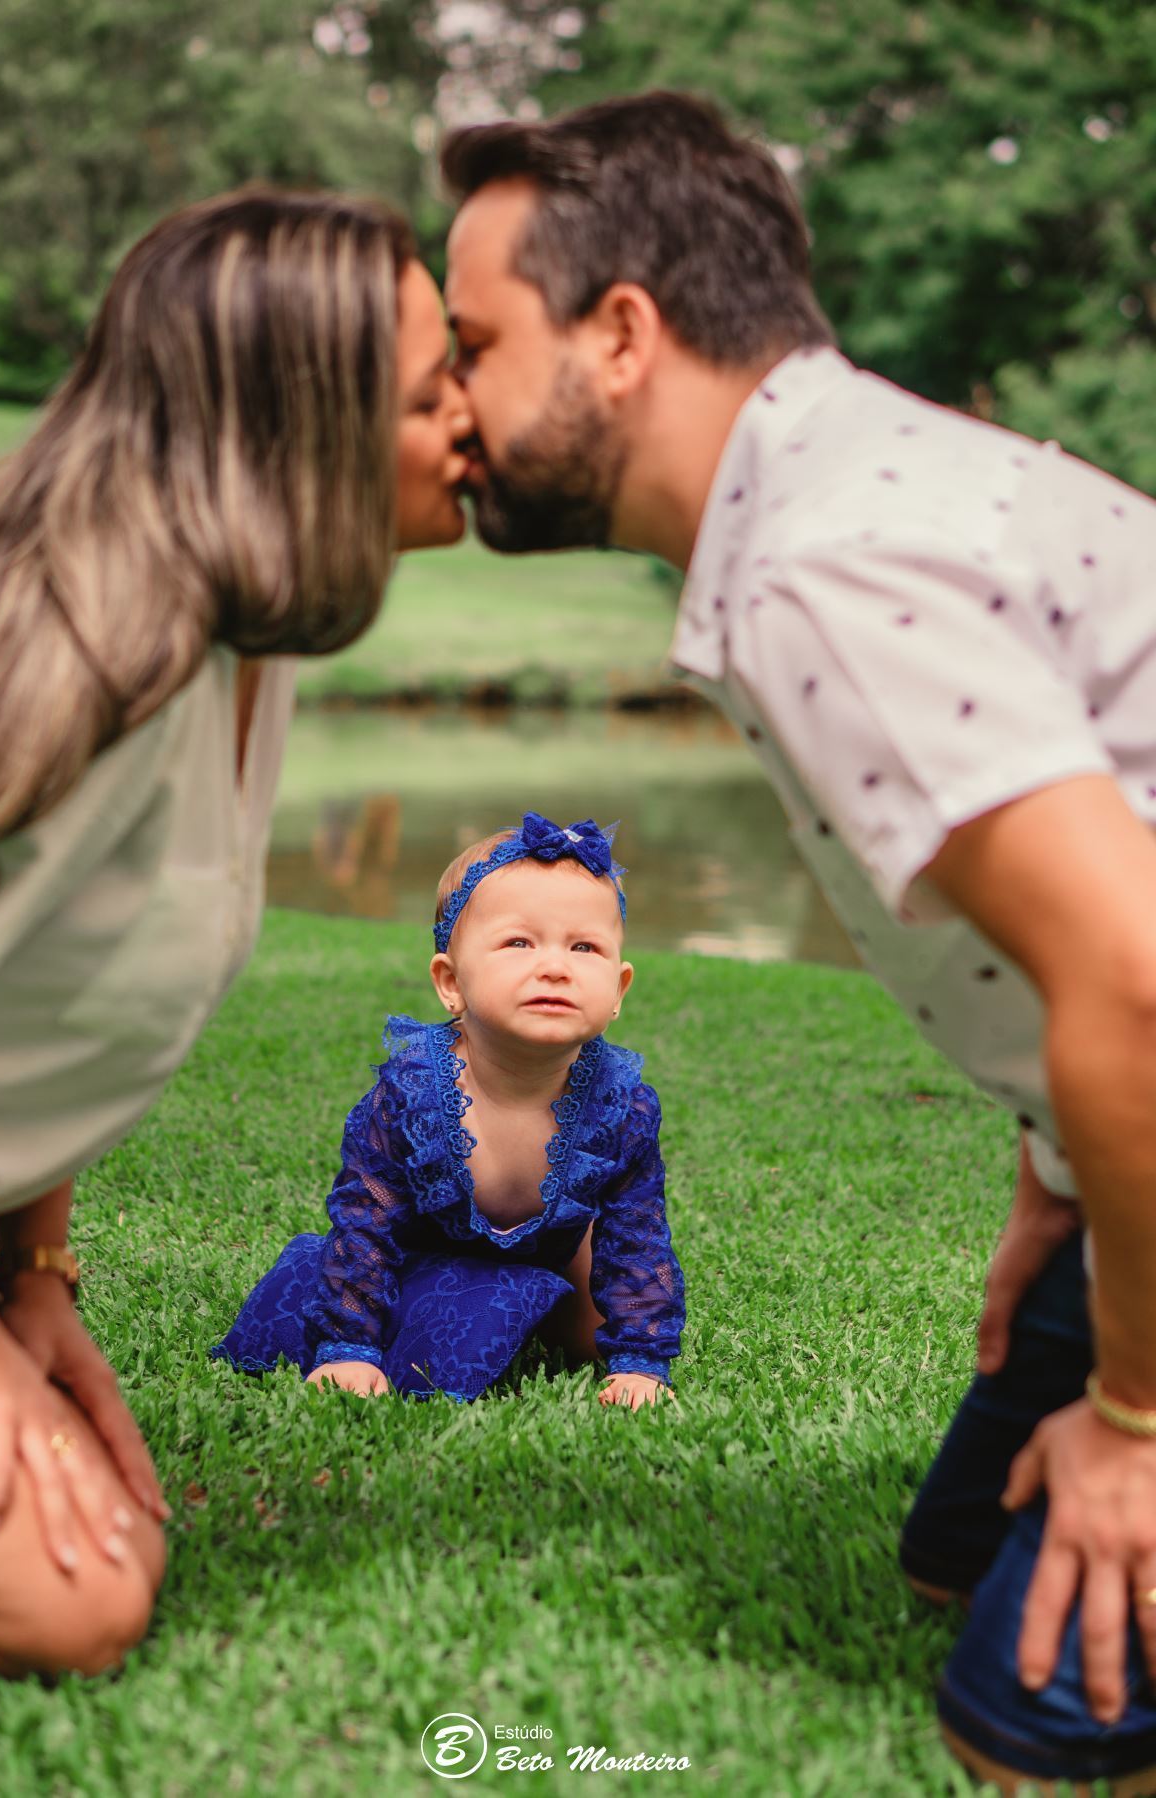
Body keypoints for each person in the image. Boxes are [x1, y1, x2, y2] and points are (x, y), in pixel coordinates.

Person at [439, 91, 1156, 1793]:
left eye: (473, 342)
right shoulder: (859, 480)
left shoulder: (824, 559)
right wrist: (1065, 1175)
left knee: (1031, 1732)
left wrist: (1133, 1421)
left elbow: (1138, 978)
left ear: (621, 333)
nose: (449, 406)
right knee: (952, 1566)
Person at [0, 184, 474, 1676]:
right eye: (432, 388)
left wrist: (34, 1280)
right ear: (298, 423)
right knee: (79, 1602)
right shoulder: (87, 668)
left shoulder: (250, 643)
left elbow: (20, 996)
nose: (470, 420)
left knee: (112, 1535)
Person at [213, 812, 685, 1410]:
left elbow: (638, 1236)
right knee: (384, 1313)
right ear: (450, 982)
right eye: (519, 942)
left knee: (592, 1342)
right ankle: (439, 1304)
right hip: (423, 1245)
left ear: (618, 990)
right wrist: (349, 1348)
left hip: (556, 1248)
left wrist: (641, 1361)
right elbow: (369, 1219)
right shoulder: (412, 1093)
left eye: (584, 946)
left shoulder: (623, 1105)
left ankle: (532, 1304)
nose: (556, 966)